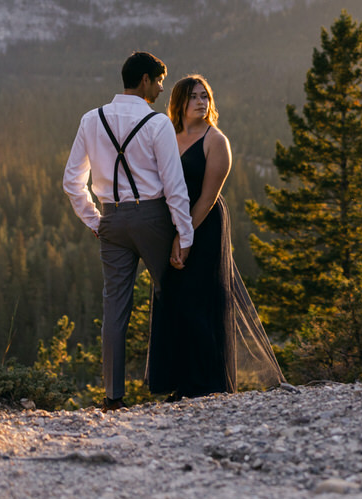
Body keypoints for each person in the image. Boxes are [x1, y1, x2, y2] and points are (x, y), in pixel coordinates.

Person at [62, 51, 194, 409]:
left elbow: (72, 182)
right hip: (152, 218)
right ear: (146, 80)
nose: (162, 89)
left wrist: (95, 221)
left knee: (115, 309)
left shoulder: (91, 120)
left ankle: (113, 397)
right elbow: (173, 185)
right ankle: (183, 385)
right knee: (175, 295)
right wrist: (185, 234)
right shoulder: (157, 124)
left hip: (112, 220)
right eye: (159, 81)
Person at [150, 74, 283, 396]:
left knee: (200, 299)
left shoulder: (215, 141)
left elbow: (208, 198)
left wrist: (184, 238)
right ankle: (178, 382)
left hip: (203, 225)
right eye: (194, 96)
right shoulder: (167, 135)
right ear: (179, 102)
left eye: (205, 96)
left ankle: (207, 384)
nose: (201, 102)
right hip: (172, 225)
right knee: (172, 299)